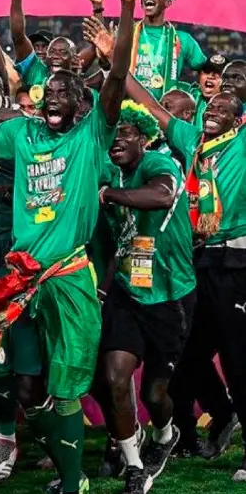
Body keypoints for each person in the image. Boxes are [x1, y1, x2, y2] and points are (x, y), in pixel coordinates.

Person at [0, 0, 144, 494]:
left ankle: (74, 480)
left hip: (70, 278)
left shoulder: (92, 132)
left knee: (67, 391)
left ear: (84, 103)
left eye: (64, 94)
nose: (53, 99)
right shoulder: (22, 134)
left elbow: (118, 72)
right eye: (47, 93)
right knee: (24, 388)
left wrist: (123, 5)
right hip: (22, 281)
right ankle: (44, 457)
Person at [126, 72, 246, 481]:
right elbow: (155, 111)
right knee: (190, 354)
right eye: (211, 107)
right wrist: (117, 61)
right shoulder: (194, 141)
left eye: (225, 110)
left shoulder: (243, 144)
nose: (214, 112)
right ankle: (223, 412)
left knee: (237, 356)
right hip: (200, 259)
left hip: (236, 261)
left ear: (239, 119)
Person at [96, 103, 195, 494]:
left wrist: (110, 195)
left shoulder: (158, 163)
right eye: (113, 134)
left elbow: (161, 197)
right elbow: (115, 240)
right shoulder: (107, 170)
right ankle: (135, 465)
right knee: (115, 377)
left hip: (171, 296)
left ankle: (166, 434)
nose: (117, 139)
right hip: (128, 292)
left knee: (155, 394)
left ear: (144, 137)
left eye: (126, 133)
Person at [130, 0, 207, 99]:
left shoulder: (183, 40)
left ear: (168, 2)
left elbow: (206, 70)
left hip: (164, 112)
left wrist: (190, 93)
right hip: (126, 109)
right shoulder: (127, 34)